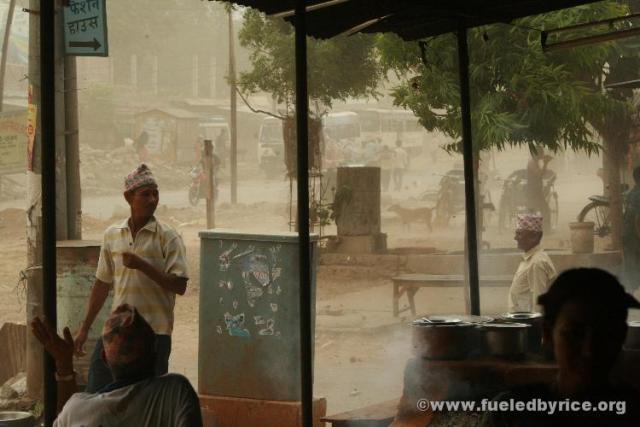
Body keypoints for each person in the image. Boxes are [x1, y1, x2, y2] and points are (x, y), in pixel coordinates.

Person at [74, 164, 189, 392]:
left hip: (155, 334)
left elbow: (180, 285)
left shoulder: (168, 237)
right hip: (118, 330)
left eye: (155, 193)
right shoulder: (112, 235)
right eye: (145, 194)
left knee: (146, 402)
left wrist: (142, 265)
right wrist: (85, 327)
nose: (152, 199)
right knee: (96, 393)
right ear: (128, 197)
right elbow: (101, 284)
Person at [479, 268, 640, 426]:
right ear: (548, 334)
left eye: (605, 334)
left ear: (622, 335)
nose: (589, 350)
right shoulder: (509, 414)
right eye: (574, 334)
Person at [31, 304, 203, 426]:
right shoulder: (176, 392)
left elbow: (66, 417)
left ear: (104, 359)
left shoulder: (78, 409)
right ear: (156, 355)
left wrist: (64, 365)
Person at [508, 213, 556, 313]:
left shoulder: (537, 263)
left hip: (529, 324)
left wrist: (535, 327)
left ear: (535, 236)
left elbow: (539, 304)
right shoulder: (531, 259)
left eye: (519, 233)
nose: (515, 238)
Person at [623, 166, 640, 293]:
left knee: (631, 268)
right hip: (634, 236)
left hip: (627, 235)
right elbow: (637, 219)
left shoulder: (632, 192)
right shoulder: (638, 195)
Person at [526, 150, 552, 232]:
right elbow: (540, 175)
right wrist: (545, 163)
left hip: (535, 190)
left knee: (541, 209)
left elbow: (541, 174)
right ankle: (546, 230)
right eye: (541, 153)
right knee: (545, 210)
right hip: (533, 191)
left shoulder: (535, 162)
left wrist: (545, 164)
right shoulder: (532, 163)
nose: (543, 155)